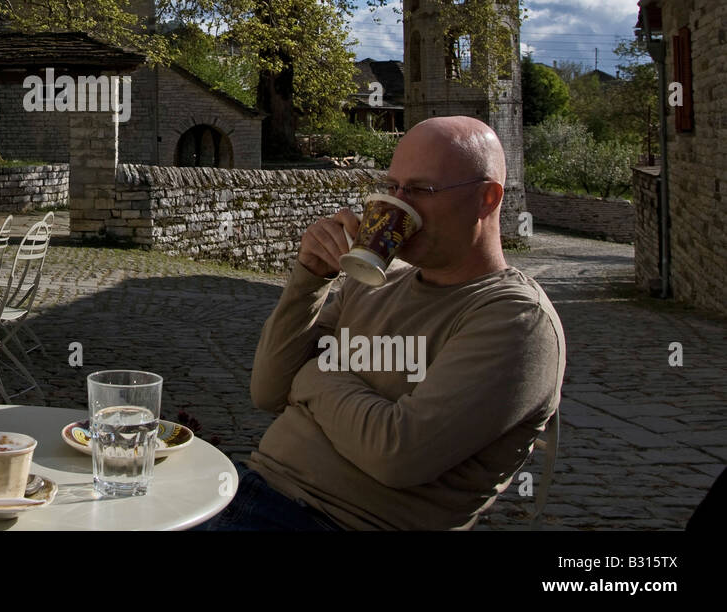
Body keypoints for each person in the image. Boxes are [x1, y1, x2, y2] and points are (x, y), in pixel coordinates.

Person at [196, 116, 565, 530]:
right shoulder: (374, 283)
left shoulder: (515, 318)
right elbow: (267, 390)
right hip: (246, 490)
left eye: (421, 190)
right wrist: (310, 277)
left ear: (487, 199)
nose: (399, 205)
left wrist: (314, 376)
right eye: (392, 188)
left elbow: (397, 455)